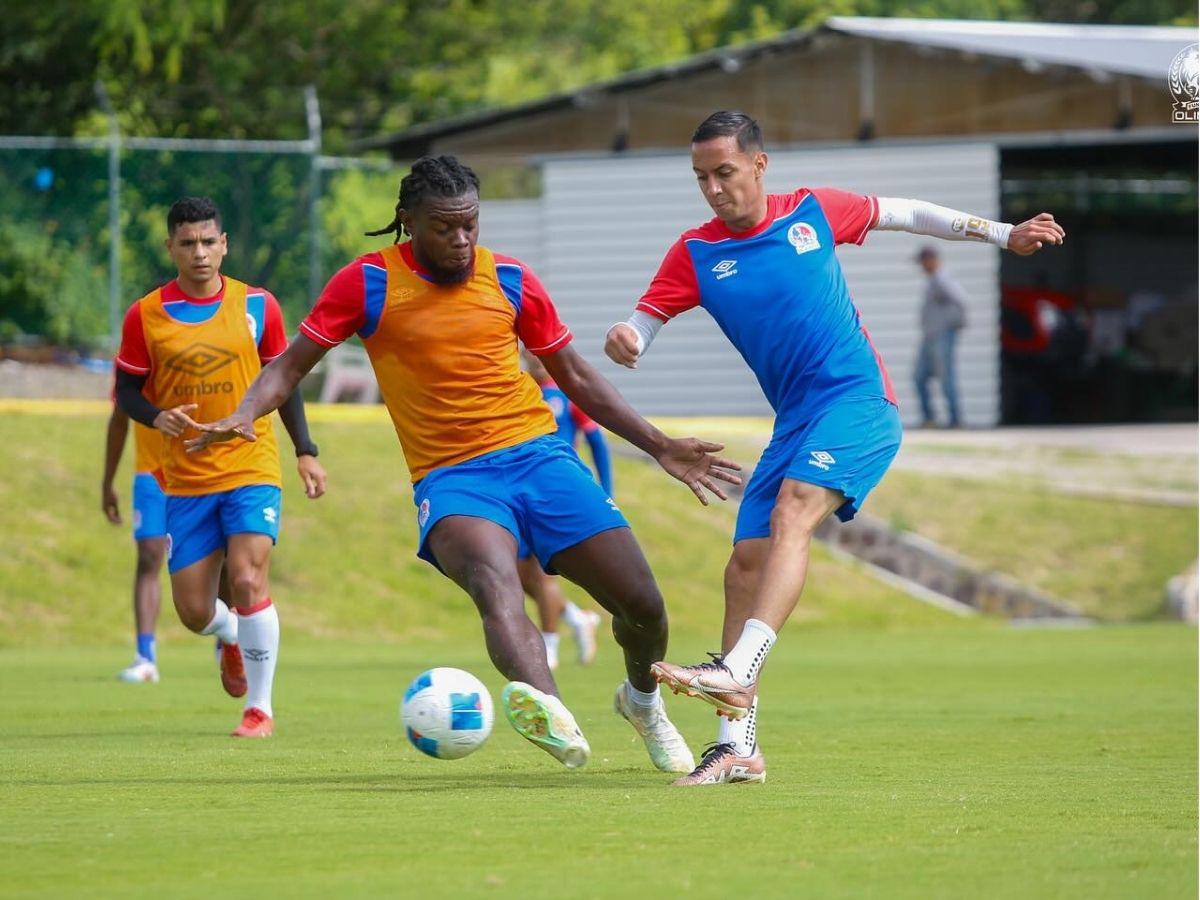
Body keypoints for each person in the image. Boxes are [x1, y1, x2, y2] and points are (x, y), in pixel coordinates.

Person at [187, 156, 740, 772]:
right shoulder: (366, 283)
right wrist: (245, 413)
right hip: (453, 477)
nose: (461, 240)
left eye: (470, 225)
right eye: (445, 227)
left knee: (643, 605)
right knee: (496, 587)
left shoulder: (510, 279)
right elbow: (288, 368)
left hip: (540, 456)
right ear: (408, 222)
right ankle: (555, 718)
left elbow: (576, 375)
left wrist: (659, 445)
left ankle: (642, 703)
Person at [606, 111, 1064, 786]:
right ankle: (737, 747)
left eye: (724, 173)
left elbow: (906, 213)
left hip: (857, 403)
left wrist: (1003, 234)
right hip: (794, 420)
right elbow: (644, 321)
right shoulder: (696, 252)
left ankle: (738, 669)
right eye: (701, 177)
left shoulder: (814, 212)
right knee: (744, 567)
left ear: (759, 166)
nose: (712, 189)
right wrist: (629, 338)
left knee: (794, 512)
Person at [114, 196, 327, 738]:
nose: (200, 253)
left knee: (249, 576)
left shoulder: (259, 306)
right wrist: (157, 416)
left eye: (209, 241)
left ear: (225, 244)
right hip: (185, 478)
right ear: (171, 248)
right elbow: (127, 391)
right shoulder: (147, 315)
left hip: (250, 464)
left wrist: (305, 449)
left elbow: (284, 380)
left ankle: (260, 709)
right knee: (191, 611)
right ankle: (229, 632)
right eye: (188, 243)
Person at [519, 350, 608, 670]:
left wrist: (606, 491)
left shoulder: (568, 392)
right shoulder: (519, 390)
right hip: (521, 491)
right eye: (530, 354)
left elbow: (597, 441)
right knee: (520, 576)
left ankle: (549, 649)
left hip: (555, 493)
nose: (537, 360)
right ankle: (576, 617)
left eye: (540, 353)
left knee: (542, 574)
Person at [102, 376, 167, 683]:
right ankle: (145, 657)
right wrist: (107, 483)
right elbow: (119, 419)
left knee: (221, 559)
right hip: (151, 474)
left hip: (204, 470)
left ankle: (228, 639)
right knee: (148, 558)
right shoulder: (133, 357)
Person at [914, 246, 968, 428]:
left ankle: (955, 420)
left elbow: (961, 300)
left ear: (930, 260)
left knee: (946, 378)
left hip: (942, 336)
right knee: (919, 377)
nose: (921, 267)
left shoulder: (943, 279)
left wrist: (954, 325)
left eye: (923, 262)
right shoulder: (934, 280)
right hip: (930, 337)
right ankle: (930, 418)